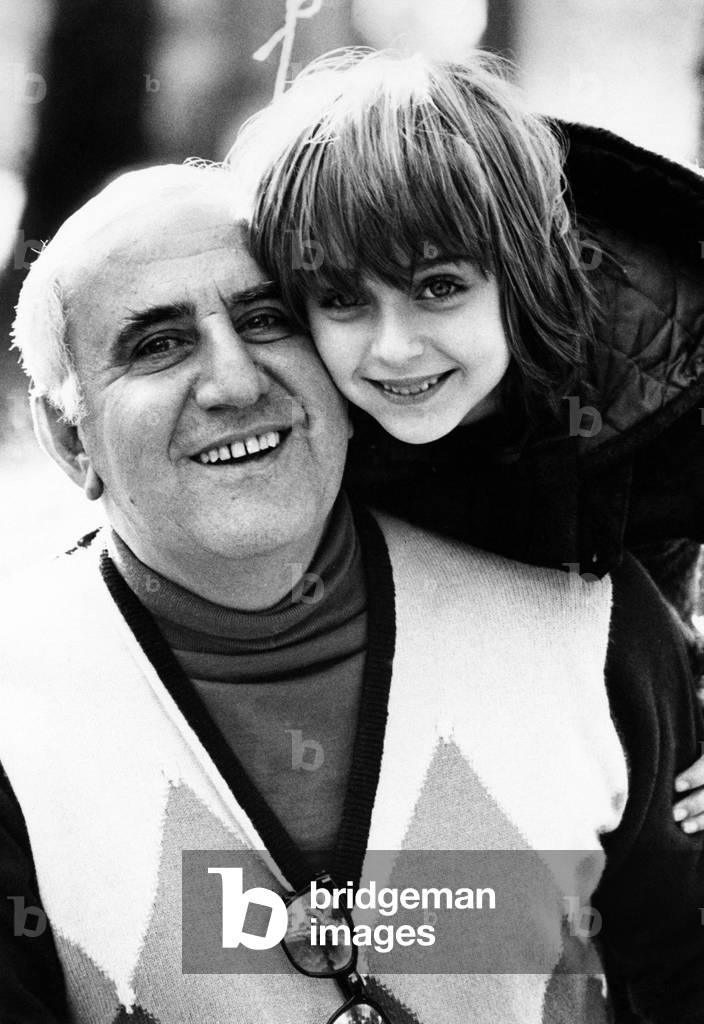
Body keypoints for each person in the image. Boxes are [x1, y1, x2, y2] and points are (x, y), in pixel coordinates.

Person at [3, 162, 704, 1023]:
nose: (236, 382)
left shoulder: (590, 625)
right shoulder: (13, 710)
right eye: (158, 345)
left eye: (267, 320)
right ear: (72, 441)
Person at [229, 46, 704, 834]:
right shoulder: (307, 407)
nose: (394, 349)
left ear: (521, 272)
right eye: (342, 298)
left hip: (643, 717)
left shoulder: (670, 374)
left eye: (438, 288)